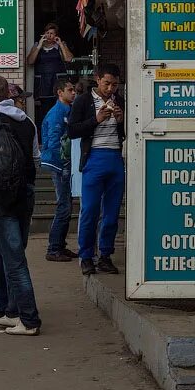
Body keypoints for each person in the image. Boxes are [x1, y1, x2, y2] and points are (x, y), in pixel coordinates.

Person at [0, 75, 42, 337]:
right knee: (17, 252)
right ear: (8, 94)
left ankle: (28, 318)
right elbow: (36, 157)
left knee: (13, 261)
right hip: (25, 193)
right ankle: (13, 312)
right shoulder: (28, 121)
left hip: (2, 197)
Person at [68, 63, 126, 276]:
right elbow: (72, 131)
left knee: (111, 212)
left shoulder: (119, 101)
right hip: (93, 157)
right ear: (97, 79)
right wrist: (96, 119)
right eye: (107, 83)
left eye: (114, 85)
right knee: (90, 210)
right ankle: (85, 256)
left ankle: (105, 255)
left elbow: (127, 132)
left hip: (115, 158)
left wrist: (121, 121)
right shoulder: (83, 101)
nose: (110, 89)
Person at [41, 79, 78, 262]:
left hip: (63, 164)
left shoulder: (66, 111)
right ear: (59, 92)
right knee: (63, 206)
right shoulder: (57, 113)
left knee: (66, 205)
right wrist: (63, 163)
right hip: (59, 164)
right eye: (70, 90)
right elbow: (54, 141)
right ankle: (54, 248)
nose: (74, 93)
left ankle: (60, 247)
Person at [26, 23, 74, 129]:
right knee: (43, 110)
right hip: (42, 83)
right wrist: (39, 45)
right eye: (47, 33)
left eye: (52, 33)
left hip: (57, 81)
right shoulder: (37, 45)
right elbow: (30, 61)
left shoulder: (61, 45)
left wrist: (61, 44)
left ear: (56, 35)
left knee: (59, 105)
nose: (49, 35)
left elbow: (69, 59)